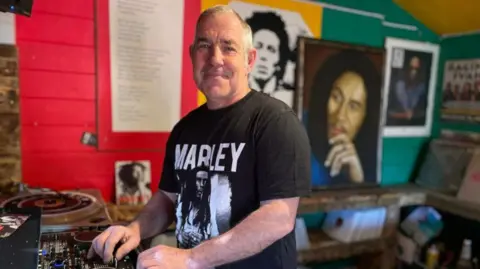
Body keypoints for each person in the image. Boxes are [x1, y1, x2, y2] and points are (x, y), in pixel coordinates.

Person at [87, 5, 311, 269]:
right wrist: (135, 229)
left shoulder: (275, 122)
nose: (215, 58)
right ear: (193, 55)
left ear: (249, 60)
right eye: (204, 46)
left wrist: (192, 258)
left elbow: (279, 216)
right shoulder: (184, 129)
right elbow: (167, 199)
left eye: (228, 47)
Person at [306, 50, 381, 187]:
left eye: (353, 106)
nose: (340, 115)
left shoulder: (372, 153)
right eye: (336, 97)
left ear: (366, 116)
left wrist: (357, 180)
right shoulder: (296, 129)